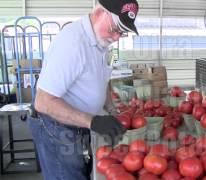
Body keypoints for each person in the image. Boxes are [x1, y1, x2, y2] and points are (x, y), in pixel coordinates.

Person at [27, 0, 139, 179]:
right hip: (56, 127)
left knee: (82, 172)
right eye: (115, 28)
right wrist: (93, 122)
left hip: (77, 125)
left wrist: (111, 109)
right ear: (99, 14)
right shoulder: (73, 43)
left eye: (122, 32)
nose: (117, 37)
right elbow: (43, 102)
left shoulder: (100, 42)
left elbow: (103, 79)